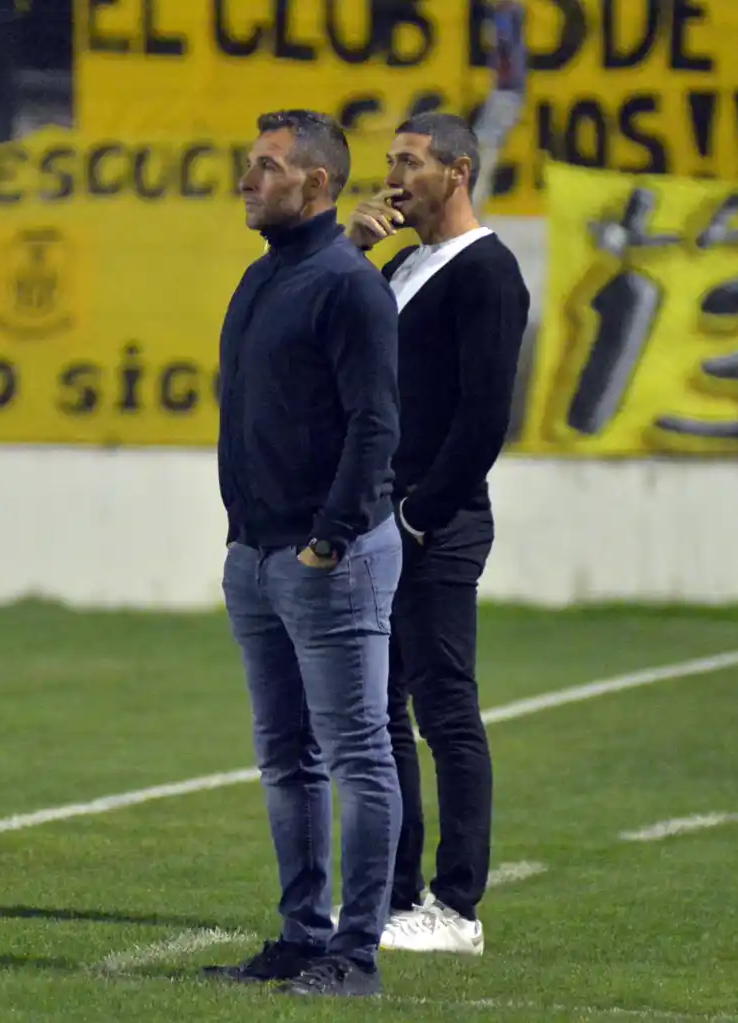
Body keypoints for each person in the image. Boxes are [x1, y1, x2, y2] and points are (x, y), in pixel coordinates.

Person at [203, 109, 405, 999]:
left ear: (317, 182)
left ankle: (354, 955)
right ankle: (300, 936)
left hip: (328, 559)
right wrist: (246, 541)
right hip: (257, 556)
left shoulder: (349, 287)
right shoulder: (265, 277)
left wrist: (330, 537)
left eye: (267, 167)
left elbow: (375, 425)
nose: (248, 180)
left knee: (357, 755)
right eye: (251, 164)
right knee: (287, 758)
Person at [344, 111, 530, 956]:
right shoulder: (402, 264)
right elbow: (337, 343)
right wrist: (352, 252)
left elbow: (484, 416)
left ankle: (458, 908)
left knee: (445, 710)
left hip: (434, 523)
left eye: (410, 162)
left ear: (457, 172)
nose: (393, 177)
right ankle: (397, 894)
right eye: (391, 161)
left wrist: (418, 514)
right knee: (381, 711)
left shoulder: (487, 271)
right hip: (381, 516)